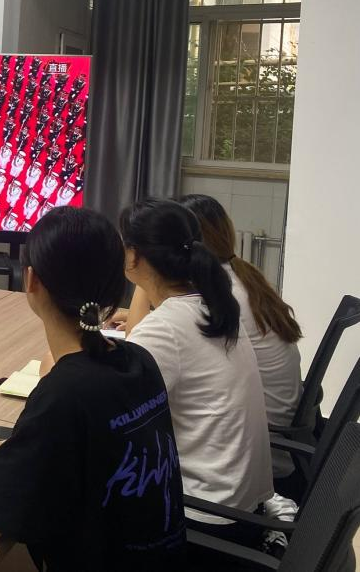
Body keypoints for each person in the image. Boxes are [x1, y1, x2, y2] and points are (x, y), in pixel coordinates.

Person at [0, 207, 185, 571]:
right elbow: (94, 453)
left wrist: (4, 472)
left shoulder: (64, 393)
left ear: (31, 279)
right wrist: (14, 459)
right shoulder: (139, 360)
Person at [121, 198, 273, 546]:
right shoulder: (212, 306)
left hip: (206, 520)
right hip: (241, 509)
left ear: (133, 256)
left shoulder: (167, 327)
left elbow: (114, 415)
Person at [178, 193, 303, 480]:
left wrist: (149, 275)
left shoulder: (220, 294)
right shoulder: (238, 278)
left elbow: (142, 357)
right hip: (276, 432)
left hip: (256, 450)